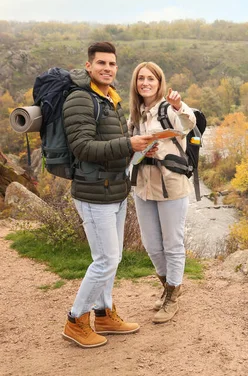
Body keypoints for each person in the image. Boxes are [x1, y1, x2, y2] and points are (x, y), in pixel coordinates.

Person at [61, 42, 158, 348]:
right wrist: (130, 144)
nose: (107, 68)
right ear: (89, 66)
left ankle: (103, 313)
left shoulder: (110, 99)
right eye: (101, 63)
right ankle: (76, 320)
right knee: (106, 259)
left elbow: (115, 145)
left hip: (114, 190)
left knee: (111, 260)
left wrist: (139, 148)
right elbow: (83, 147)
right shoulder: (79, 99)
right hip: (93, 193)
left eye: (112, 64)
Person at [128, 61, 196, 323]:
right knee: (152, 245)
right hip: (143, 185)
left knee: (172, 243)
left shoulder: (169, 109)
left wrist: (179, 105)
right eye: (141, 78)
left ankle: (172, 298)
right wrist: (138, 149)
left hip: (171, 185)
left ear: (159, 83)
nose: (145, 83)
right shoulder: (135, 113)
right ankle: (170, 286)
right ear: (136, 83)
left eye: (151, 79)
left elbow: (188, 124)